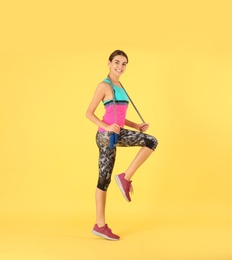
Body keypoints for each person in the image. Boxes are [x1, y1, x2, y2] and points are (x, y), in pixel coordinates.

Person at [86, 50, 158, 241]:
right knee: (104, 180)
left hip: (116, 133)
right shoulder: (104, 85)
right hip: (105, 136)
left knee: (150, 141)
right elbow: (89, 113)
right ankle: (101, 223)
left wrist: (136, 126)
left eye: (124, 63)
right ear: (109, 63)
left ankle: (124, 180)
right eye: (117, 62)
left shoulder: (120, 86)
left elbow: (119, 117)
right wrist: (107, 127)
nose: (120, 66)